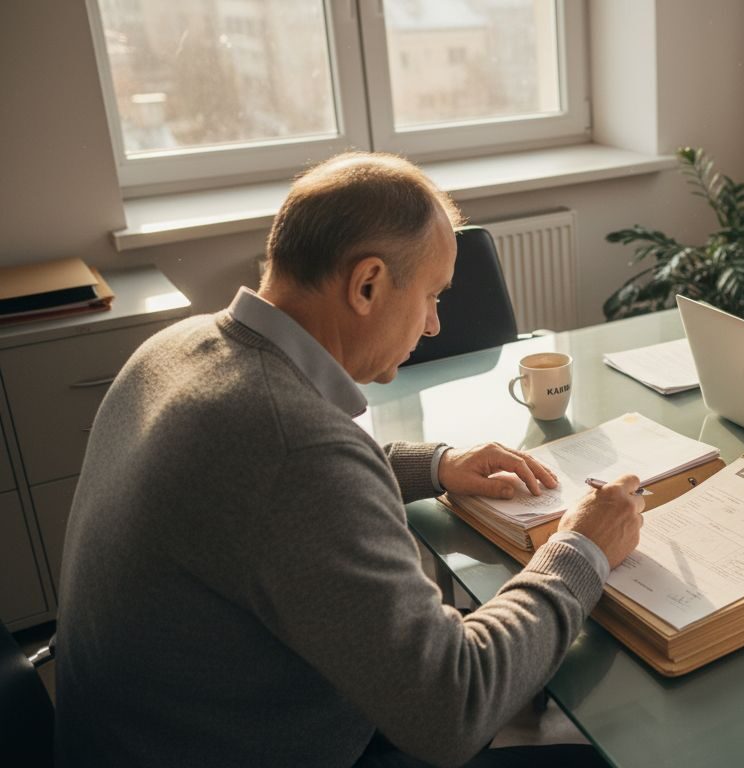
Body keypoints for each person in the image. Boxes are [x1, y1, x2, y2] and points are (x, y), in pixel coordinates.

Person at [55, 152, 644, 767]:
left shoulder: (177, 346)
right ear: (367, 285)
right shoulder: (295, 452)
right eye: (431, 296)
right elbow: (455, 707)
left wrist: (434, 465)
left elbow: (268, 485)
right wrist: (582, 549)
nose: (434, 325)